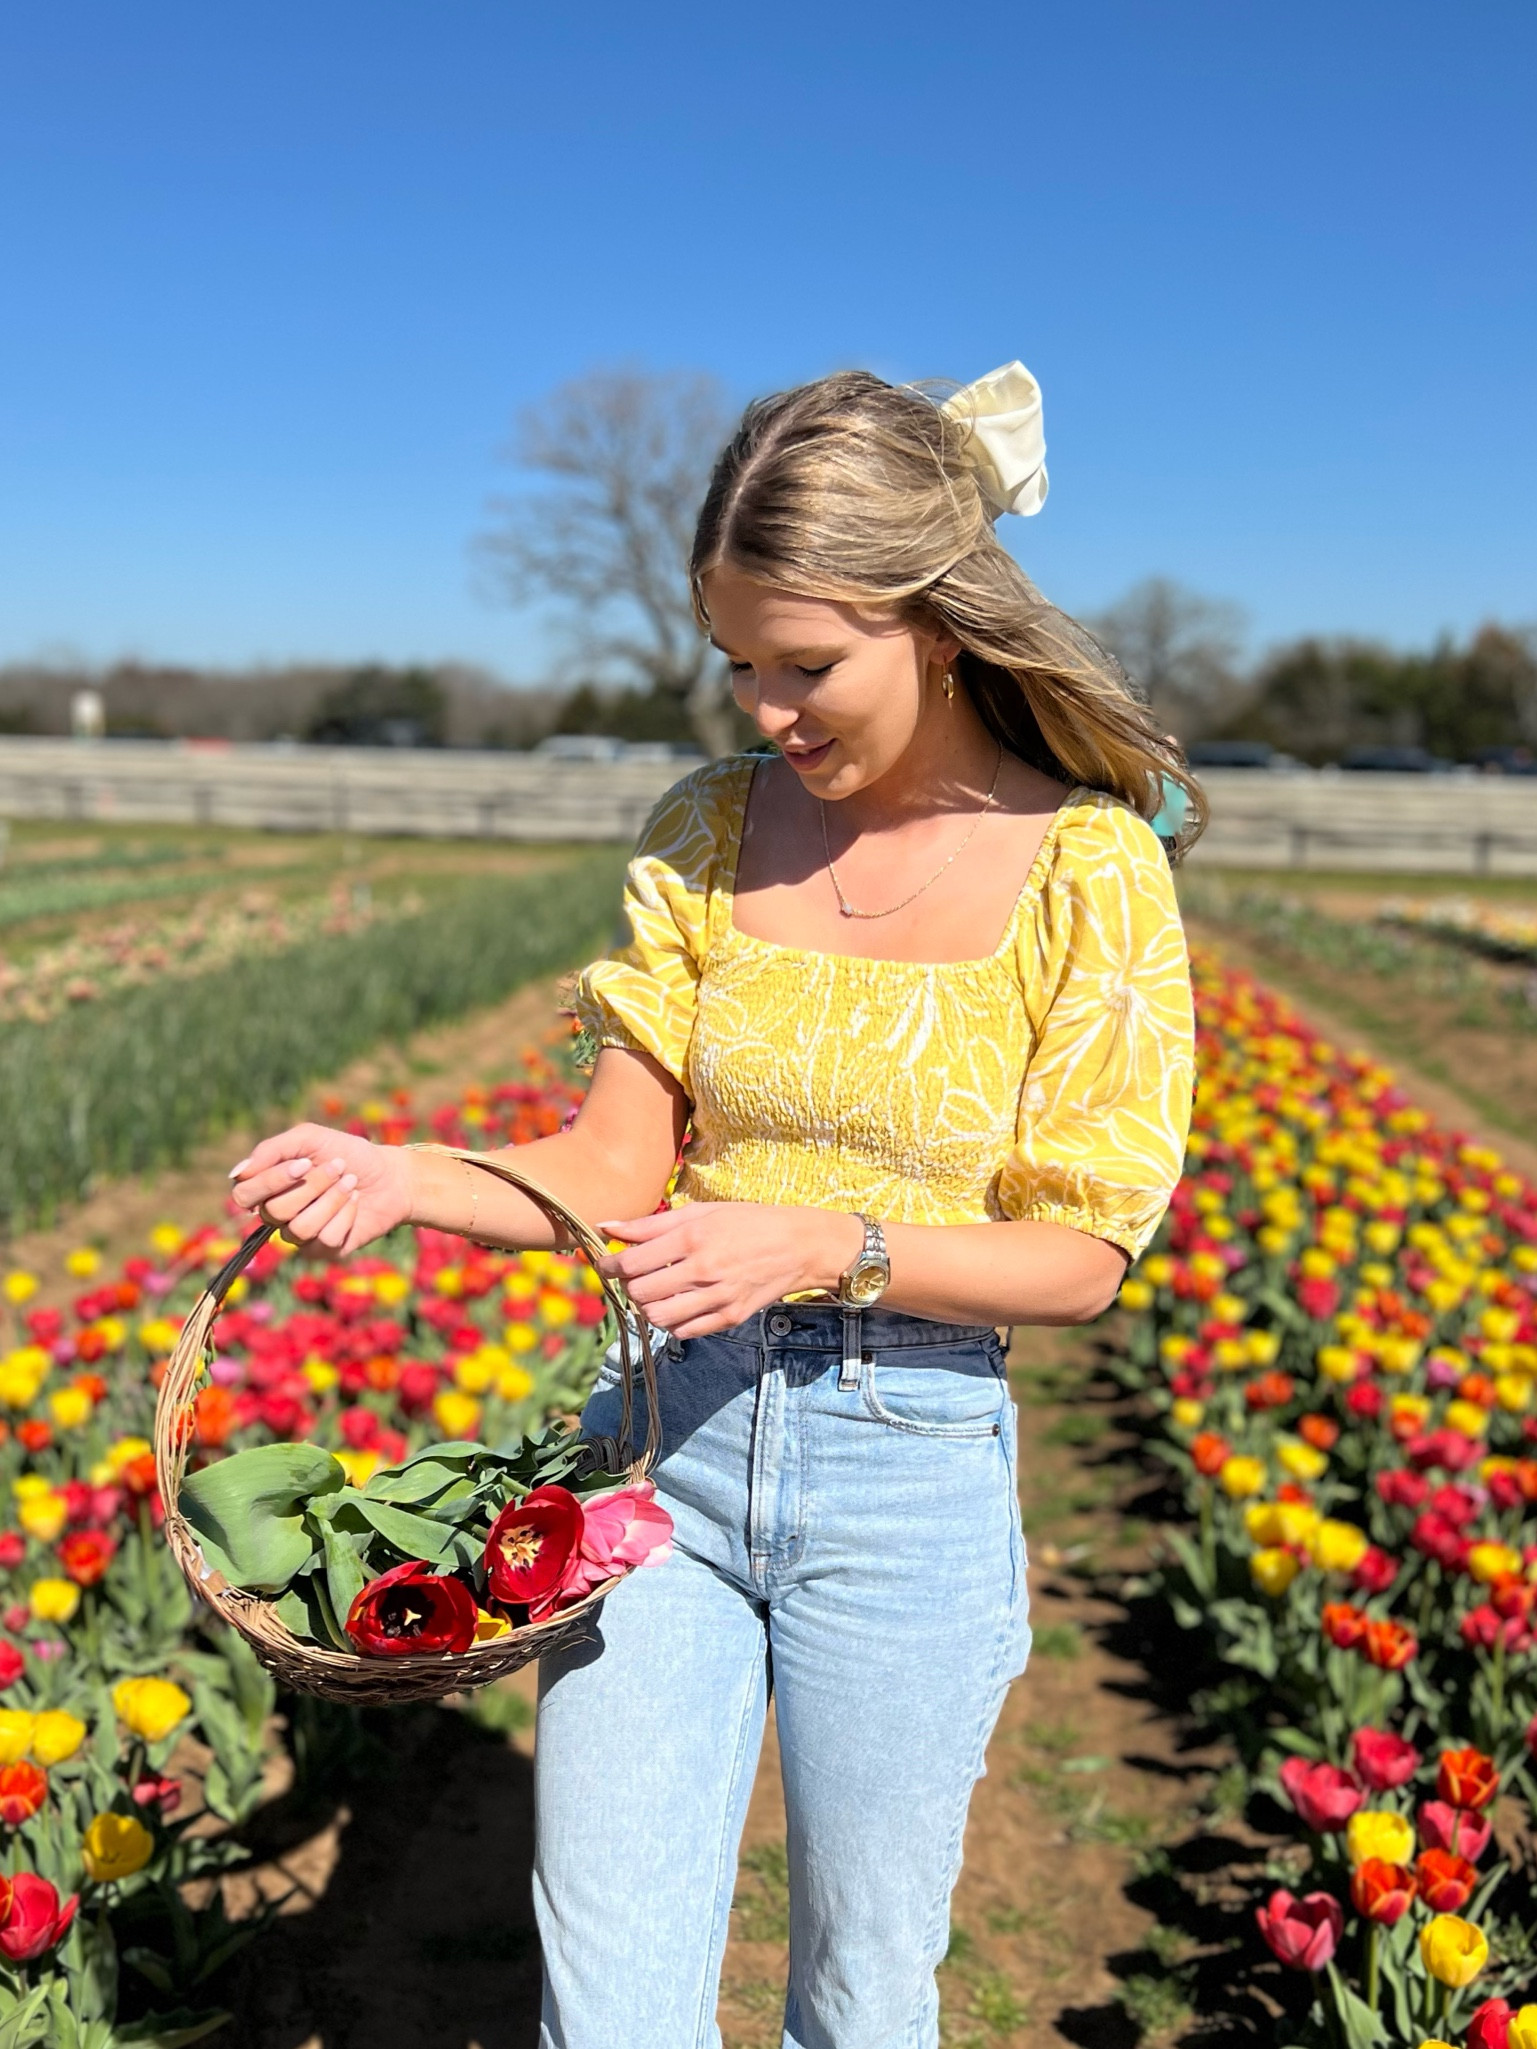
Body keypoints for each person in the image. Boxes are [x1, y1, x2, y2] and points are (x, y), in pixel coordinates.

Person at [230, 361, 1199, 2049]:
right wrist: (406, 1179)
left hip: (907, 1474)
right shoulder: (701, 831)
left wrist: (834, 1242)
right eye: (737, 662)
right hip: (660, 1456)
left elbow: (1086, 1254)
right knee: (604, 1999)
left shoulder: (1089, 869)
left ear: (941, 623)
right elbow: (611, 1170)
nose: (764, 708)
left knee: (858, 1990)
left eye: (806, 665)